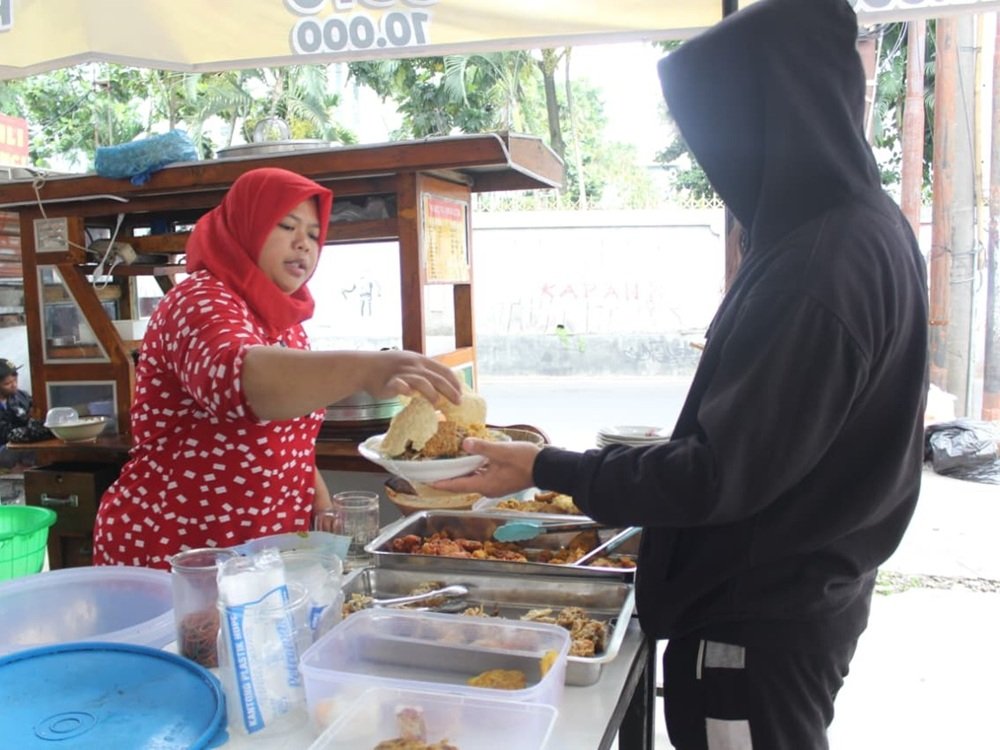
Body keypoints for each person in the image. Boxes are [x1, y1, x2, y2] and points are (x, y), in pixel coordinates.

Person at [437, 1, 929, 747]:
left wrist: (545, 465)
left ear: (776, 110)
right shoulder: (865, 226)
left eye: (723, 124)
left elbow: (714, 477)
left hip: (755, 625)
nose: (716, 155)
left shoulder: (818, 266)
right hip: (803, 597)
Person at [94, 167, 461, 569]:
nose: (303, 245)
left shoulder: (282, 324)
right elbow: (239, 382)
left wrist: (326, 521)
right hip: (180, 546)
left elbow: (293, 447)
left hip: (261, 551)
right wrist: (364, 368)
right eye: (286, 226)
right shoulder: (200, 299)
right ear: (245, 227)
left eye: (314, 235)